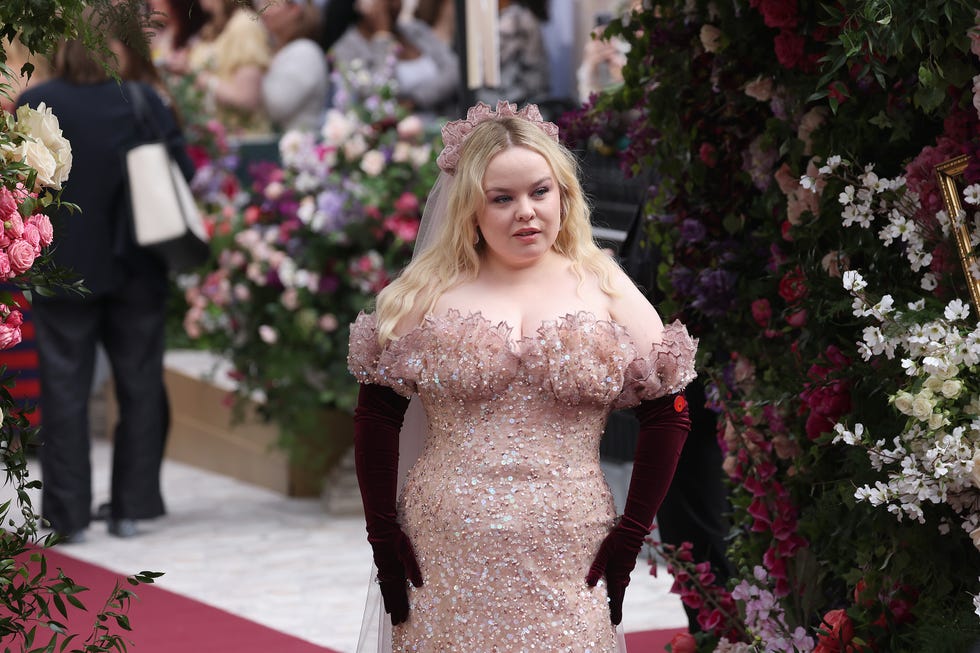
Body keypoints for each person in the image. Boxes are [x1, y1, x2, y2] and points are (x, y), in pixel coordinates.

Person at [346, 100, 697, 651]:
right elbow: (376, 413)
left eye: (540, 191)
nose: (526, 212)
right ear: (470, 210)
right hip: (445, 551)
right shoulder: (427, 294)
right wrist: (382, 532)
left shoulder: (605, 286)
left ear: (563, 193)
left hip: (570, 552)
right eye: (501, 199)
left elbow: (669, 414)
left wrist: (630, 535)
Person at [17, 7, 195, 542]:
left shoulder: (34, 106)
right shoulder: (142, 101)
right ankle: (130, 506)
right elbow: (183, 173)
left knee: (64, 389)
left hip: (61, 266)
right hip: (136, 265)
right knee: (139, 384)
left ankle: (67, 515)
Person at [325, 0, 458, 118]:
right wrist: (382, 37)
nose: (395, 4)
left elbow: (455, 70)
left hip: (446, 121)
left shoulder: (415, 31)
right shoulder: (346, 50)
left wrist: (415, 100)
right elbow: (379, 94)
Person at [168, 0, 272, 134]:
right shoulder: (212, 26)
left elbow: (247, 99)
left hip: (243, 139)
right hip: (217, 139)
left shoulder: (244, 25)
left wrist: (192, 73)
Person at [257, 0, 329, 132]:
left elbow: (276, 106)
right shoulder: (281, 51)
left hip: (298, 148)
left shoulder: (304, 51)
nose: (264, 12)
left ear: (295, 9)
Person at [474, 0, 551, 107]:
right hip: (522, 98)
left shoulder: (516, 19)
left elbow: (485, 62)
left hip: (516, 102)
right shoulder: (522, 16)